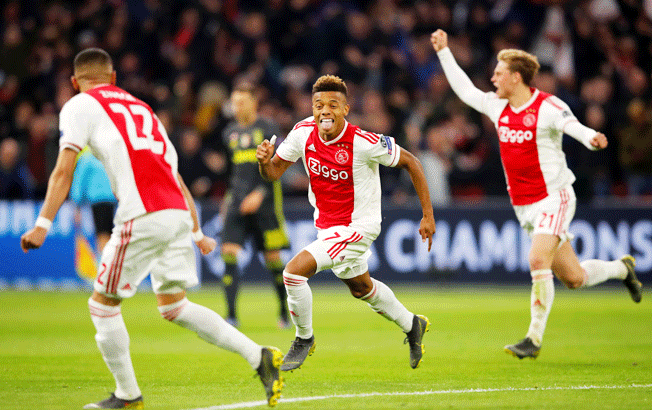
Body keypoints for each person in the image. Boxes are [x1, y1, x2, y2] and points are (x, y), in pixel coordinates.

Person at [20, 48, 284, 409]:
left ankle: (128, 394)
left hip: (143, 215)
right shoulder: (143, 110)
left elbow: (64, 169)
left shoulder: (79, 105)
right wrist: (195, 232)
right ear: (114, 78)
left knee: (102, 305)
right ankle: (260, 355)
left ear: (74, 82)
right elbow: (174, 175)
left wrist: (42, 224)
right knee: (174, 306)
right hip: (174, 211)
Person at [430, 29, 643, 359]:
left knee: (536, 259)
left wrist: (591, 137)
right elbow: (464, 89)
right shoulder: (497, 106)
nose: (493, 78)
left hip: (554, 197)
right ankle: (622, 269)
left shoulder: (547, 106)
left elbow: (572, 126)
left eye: (499, 73)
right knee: (574, 278)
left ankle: (533, 339)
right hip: (524, 206)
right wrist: (444, 52)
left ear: (516, 78)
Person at [256, 75, 436, 371]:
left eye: (333, 105)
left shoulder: (364, 142)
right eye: (318, 105)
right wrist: (264, 161)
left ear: (346, 109)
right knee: (361, 288)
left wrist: (427, 215)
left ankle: (304, 339)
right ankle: (412, 324)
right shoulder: (302, 133)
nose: (325, 110)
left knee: (293, 273)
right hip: (327, 227)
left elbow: (412, 162)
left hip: (358, 227)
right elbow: (274, 173)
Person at [220, 82, 291, 328]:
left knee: (273, 258)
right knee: (228, 252)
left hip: (266, 203)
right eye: (234, 102)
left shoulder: (268, 128)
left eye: (242, 102)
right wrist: (227, 200)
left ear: (254, 103)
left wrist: (260, 193)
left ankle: (284, 312)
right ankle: (231, 316)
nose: (237, 107)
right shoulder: (228, 132)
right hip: (237, 202)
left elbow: (277, 165)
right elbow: (233, 172)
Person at [69, 146, 116, 254]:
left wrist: (76, 205)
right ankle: (106, 262)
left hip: (99, 201)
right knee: (109, 234)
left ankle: (104, 263)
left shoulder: (87, 159)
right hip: (113, 201)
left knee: (103, 234)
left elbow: (79, 182)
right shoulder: (111, 156)